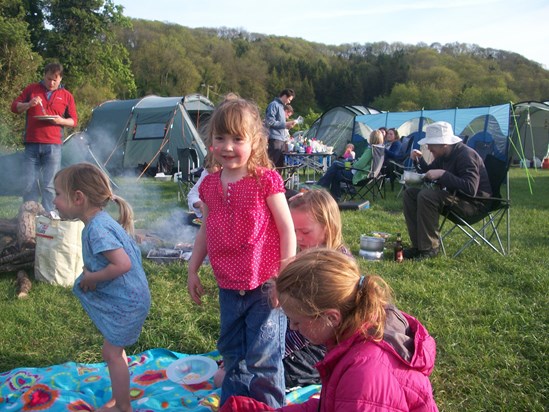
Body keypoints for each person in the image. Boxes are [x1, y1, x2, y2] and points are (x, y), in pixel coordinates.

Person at [220, 248, 439, 411]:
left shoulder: (365, 374)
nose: (293, 328)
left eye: (296, 321)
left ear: (330, 317)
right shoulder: (352, 337)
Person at [187, 97, 296, 408]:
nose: (228, 146)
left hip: (265, 285)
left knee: (264, 356)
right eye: (220, 138)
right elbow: (205, 231)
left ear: (255, 141)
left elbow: (287, 229)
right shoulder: (209, 185)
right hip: (228, 286)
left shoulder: (265, 181)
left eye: (237, 139)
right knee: (233, 352)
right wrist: (193, 268)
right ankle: (235, 403)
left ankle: (267, 405)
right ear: (210, 142)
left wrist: (283, 278)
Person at [53, 163, 151, 412]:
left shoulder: (96, 229)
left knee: (111, 352)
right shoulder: (99, 222)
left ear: (78, 198)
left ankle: (123, 406)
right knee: (114, 349)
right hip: (130, 298)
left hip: (128, 302)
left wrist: (93, 277)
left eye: (58, 194)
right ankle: (119, 397)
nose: (54, 201)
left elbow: (122, 264)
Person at [283, 189, 352, 388]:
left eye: (304, 232)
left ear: (328, 229)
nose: (297, 238)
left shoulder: (333, 267)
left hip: (323, 346)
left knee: (263, 375)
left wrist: (272, 351)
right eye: (293, 231)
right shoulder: (306, 254)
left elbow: (308, 329)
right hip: (299, 335)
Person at [402, 121, 492, 260]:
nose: (428, 147)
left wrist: (443, 174)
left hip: (473, 204)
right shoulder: (444, 155)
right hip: (456, 198)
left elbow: (471, 188)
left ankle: (430, 249)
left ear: (443, 143)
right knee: (410, 194)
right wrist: (418, 161)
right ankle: (418, 246)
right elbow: (429, 172)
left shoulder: (466, 155)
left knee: (427, 196)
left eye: (431, 144)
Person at [11, 62, 78, 212]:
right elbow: (14, 107)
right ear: (44, 76)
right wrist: (29, 104)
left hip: (53, 146)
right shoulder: (32, 89)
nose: (51, 83)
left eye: (55, 80)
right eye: (49, 79)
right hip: (32, 143)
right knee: (29, 183)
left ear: (60, 79)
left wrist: (59, 120)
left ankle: (48, 218)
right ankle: (29, 217)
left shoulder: (66, 96)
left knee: (50, 185)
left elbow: (73, 120)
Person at [317, 130, 384, 201]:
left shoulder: (370, 150)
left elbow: (359, 165)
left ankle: (320, 187)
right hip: (369, 175)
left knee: (335, 164)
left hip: (360, 175)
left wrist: (352, 164)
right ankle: (334, 197)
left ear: (372, 138)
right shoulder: (379, 150)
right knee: (336, 172)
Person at [265, 88, 297, 167]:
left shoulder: (282, 107)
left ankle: (278, 179)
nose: (289, 102)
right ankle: (267, 179)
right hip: (275, 138)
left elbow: (281, 124)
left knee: (280, 165)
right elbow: (270, 122)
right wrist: (285, 124)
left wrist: (288, 126)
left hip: (281, 139)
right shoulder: (274, 105)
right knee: (272, 163)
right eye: (289, 99)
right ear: (285, 96)